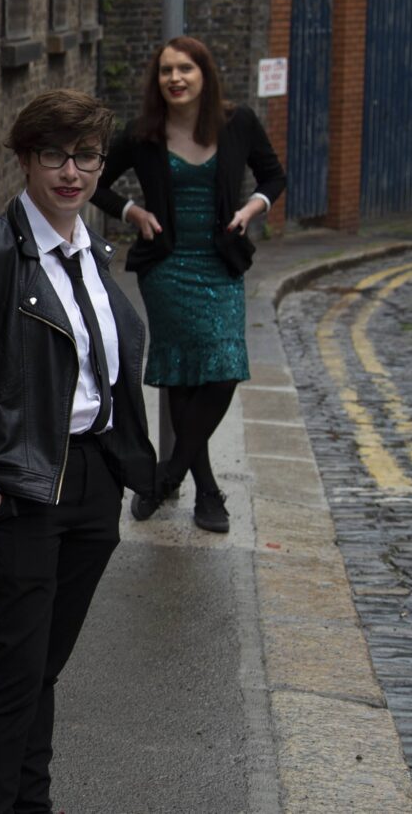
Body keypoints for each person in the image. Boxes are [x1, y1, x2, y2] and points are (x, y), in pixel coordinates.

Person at [0, 88, 155, 814]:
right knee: (13, 673)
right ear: (24, 159)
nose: (70, 171)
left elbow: (106, 367)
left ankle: (31, 804)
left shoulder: (92, 250)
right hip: (16, 491)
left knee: (41, 668)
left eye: (85, 155)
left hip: (90, 481)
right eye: (53, 154)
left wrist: (123, 464)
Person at [92, 36, 286, 533]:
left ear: (204, 74)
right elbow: (95, 179)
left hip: (220, 265)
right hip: (168, 268)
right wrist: (132, 211)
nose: (175, 78)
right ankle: (206, 493)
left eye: (185, 69)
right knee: (182, 376)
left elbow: (272, 175)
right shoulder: (143, 134)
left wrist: (252, 207)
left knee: (221, 372)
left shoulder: (236, 121)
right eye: (165, 71)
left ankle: (166, 474)